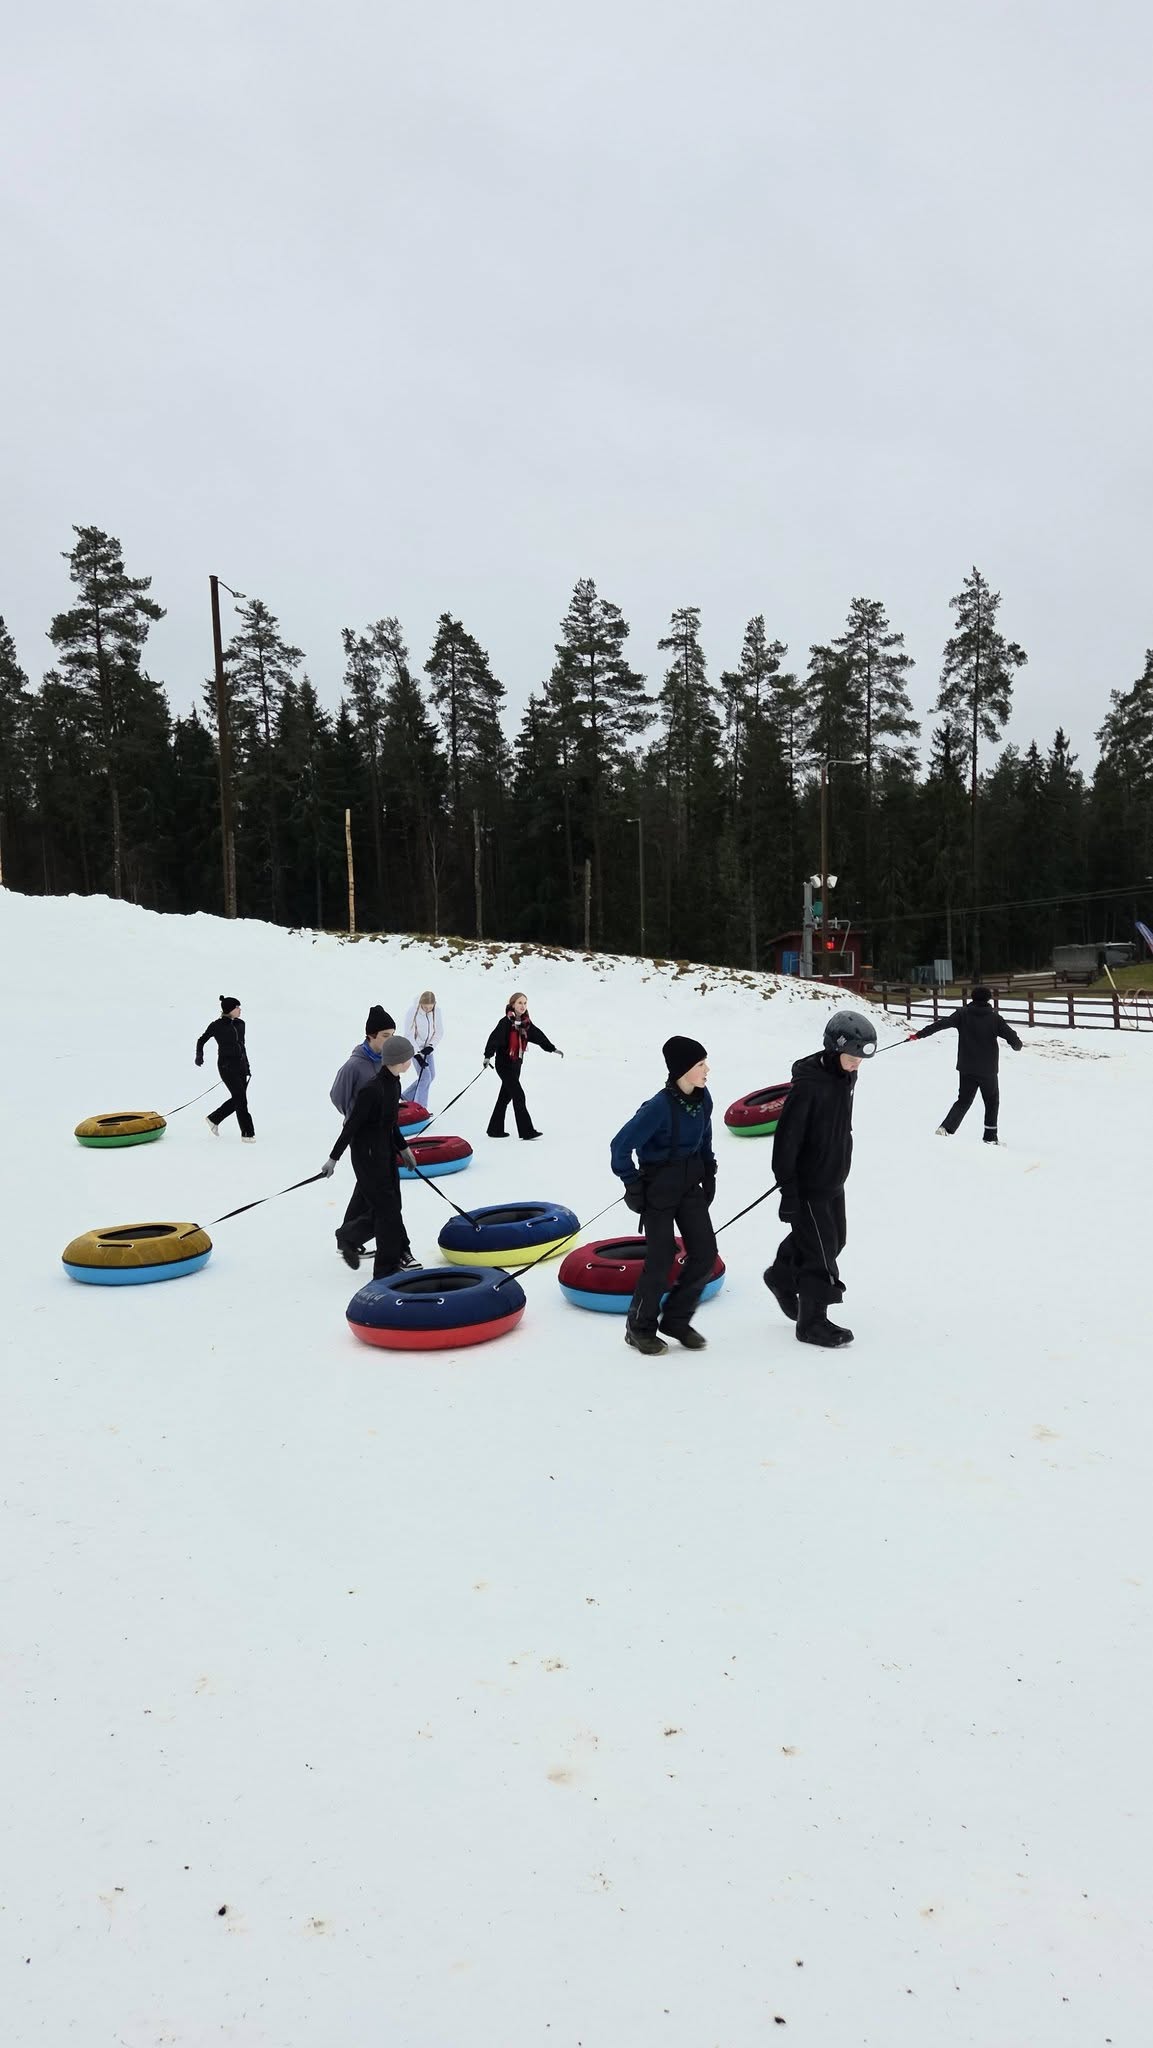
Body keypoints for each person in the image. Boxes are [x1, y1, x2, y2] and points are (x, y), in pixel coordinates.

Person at [763, 1009, 877, 1350]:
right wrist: (788, 1189)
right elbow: (786, 1142)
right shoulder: (809, 1087)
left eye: (862, 1055)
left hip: (833, 1177)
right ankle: (812, 1322)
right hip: (808, 1183)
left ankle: (781, 1276)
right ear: (834, 1048)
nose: (857, 1062)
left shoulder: (844, 1077)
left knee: (834, 1241)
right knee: (822, 1254)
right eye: (852, 1054)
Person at [610, 1036, 718, 1357]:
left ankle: (676, 1319)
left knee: (704, 1252)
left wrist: (709, 1169)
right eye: (700, 1064)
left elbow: (705, 1134)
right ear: (683, 1069)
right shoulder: (657, 1108)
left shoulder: (702, 1098)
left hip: (690, 1184)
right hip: (658, 1187)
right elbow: (620, 1146)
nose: (707, 1070)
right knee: (660, 1258)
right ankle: (639, 1327)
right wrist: (632, 1184)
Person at [321, 1035, 418, 1275]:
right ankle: (385, 1270)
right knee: (388, 1212)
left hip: (385, 1153)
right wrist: (333, 1158)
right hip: (367, 1157)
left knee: (392, 1207)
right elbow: (351, 1126)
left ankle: (349, 1235)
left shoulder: (394, 1084)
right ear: (399, 1060)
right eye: (408, 1058)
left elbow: (390, 1124)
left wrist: (403, 1149)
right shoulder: (372, 1090)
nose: (411, 1062)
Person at [909, 985, 1023, 1143]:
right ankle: (990, 1137)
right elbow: (1012, 1037)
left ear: (973, 998)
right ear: (988, 999)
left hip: (966, 1067)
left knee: (964, 1100)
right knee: (991, 1101)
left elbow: (941, 1024)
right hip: (987, 1069)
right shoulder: (995, 1018)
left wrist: (918, 1035)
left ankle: (945, 1128)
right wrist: (1017, 1045)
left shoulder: (962, 1014)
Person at [329, 1005, 396, 1255]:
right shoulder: (354, 1066)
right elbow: (337, 1096)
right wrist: (354, 1115)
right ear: (371, 1036)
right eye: (385, 1036)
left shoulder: (387, 1062)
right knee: (374, 1189)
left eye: (392, 1035)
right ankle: (348, 1236)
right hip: (361, 1136)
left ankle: (347, 1238)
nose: (390, 1041)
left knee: (364, 1188)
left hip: (382, 1134)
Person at [483, 992, 562, 1139]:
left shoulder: (526, 1024)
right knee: (519, 1096)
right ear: (513, 1004)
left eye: (525, 1003)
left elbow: (538, 1036)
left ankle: (494, 1129)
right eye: (520, 1003)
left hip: (516, 1066)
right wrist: (488, 1056)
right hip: (504, 1065)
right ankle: (526, 1131)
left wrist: (551, 1048)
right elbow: (494, 1039)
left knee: (504, 1098)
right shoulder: (505, 1022)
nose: (523, 1006)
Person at [195, 996, 255, 1142]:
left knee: (239, 1099)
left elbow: (243, 1047)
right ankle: (247, 1134)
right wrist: (199, 1055)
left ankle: (214, 1118)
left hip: (241, 1066)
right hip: (226, 1067)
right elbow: (201, 1040)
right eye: (237, 1007)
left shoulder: (241, 1024)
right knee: (241, 1099)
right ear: (230, 1010)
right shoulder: (217, 1025)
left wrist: (246, 1067)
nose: (240, 1010)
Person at [402, 991, 443, 1109]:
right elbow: (408, 1034)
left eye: (430, 1008)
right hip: (414, 1048)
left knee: (432, 1075)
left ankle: (406, 1096)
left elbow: (439, 1031)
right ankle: (419, 1108)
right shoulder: (412, 1012)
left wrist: (431, 1046)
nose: (428, 1010)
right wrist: (417, 1055)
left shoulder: (436, 1011)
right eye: (425, 1008)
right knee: (425, 1077)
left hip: (427, 1049)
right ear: (420, 1004)